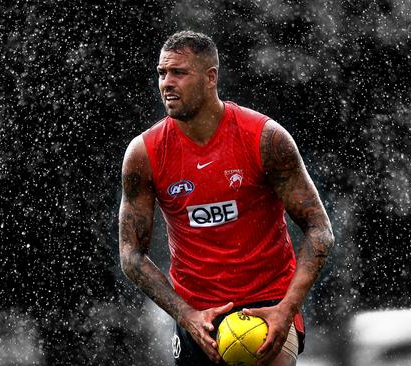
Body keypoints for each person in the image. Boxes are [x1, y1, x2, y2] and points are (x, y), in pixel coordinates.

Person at [118, 30, 334, 366]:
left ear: (210, 78)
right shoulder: (144, 154)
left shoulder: (266, 139)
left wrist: (286, 309)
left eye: (179, 73)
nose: (166, 83)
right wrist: (185, 314)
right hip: (197, 313)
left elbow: (320, 229)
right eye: (162, 73)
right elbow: (131, 255)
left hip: (269, 305)